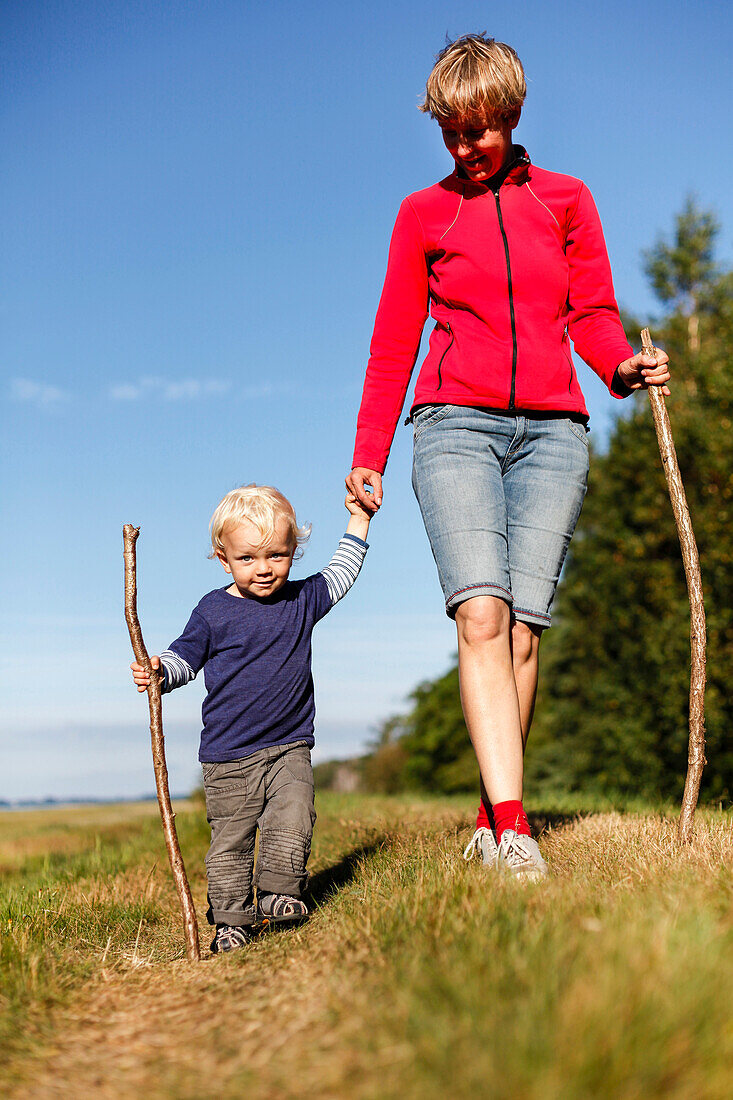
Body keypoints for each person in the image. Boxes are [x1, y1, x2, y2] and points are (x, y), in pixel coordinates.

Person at [346, 35, 670, 881]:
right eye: (450, 134)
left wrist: (620, 369)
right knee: (479, 615)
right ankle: (517, 830)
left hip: (554, 433)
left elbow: (592, 313)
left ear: (512, 117)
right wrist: (367, 454)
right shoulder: (424, 213)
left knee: (523, 633)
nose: (464, 149)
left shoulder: (565, 200)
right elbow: (392, 344)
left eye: (478, 132)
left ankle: (494, 817)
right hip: (453, 426)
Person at [130, 485, 371, 951]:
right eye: (248, 559)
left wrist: (359, 520)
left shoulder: (300, 600)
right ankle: (231, 921)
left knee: (295, 814)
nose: (264, 569)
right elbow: (185, 657)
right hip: (228, 756)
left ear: (293, 552)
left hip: (290, 745)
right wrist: (160, 672)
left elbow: (343, 572)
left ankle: (279, 893)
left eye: (277, 556)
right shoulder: (213, 610)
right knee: (231, 843)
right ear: (224, 559)